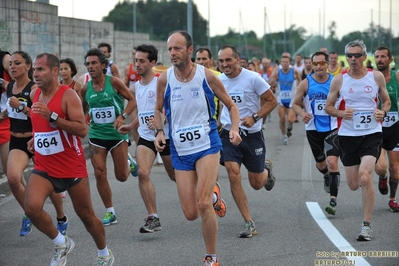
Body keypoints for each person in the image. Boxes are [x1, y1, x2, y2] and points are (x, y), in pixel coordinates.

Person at [154, 30, 241, 266]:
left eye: (177, 48)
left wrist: (234, 129)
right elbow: (158, 109)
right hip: (180, 150)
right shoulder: (165, 79)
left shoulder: (207, 76)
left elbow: (231, 106)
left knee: (202, 205)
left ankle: (211, 257)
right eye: (170, 49)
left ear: (190, 50)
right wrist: (160, 132)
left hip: (207, 144)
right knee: (191, 213)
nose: (172, 53)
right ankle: (214, 193)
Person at [25, 52, 114, 265]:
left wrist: (53, 117)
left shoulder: (68, 95)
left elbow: (81, 130)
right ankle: (61, 242)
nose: (35, 74)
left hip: (71, 167)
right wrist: (35, 138)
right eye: (34, 69)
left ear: (55, 71)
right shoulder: (34, 94)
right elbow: (39, 121)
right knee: (31, 208)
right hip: (44, 165)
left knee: (87, 216)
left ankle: (104, 254)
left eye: (41, 69)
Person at [325, 40, 391, 241]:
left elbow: (386, 101)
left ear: (364, 57)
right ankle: (368, 186)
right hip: (347, 135)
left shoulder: (376, 77)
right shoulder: (339, 80)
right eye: (349, 56)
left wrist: (383, 111)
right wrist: (341, 112)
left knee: (364, 176)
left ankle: (366, 226)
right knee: (354, 184)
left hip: (372, 133)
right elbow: (328, 107)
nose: (353, 59)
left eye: (356, 55)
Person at [217, 44, 277, 238]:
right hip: (229, 133)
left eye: (228, 60)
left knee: (257, 183)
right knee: (233, 173)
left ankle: (265, 171)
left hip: (252, 135)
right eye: (221, 61)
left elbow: (272, 101)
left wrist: (255, 117)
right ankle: (248, 222)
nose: (225, 64)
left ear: (237, 59)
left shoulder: (253, 78)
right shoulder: (218, 80)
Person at [118, 44, 175, 234]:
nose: (137, 64)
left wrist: (164, 119)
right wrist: (132, 125)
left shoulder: (161, 83)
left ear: (152, 62)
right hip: (146, 137)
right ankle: (153, 217)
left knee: (175, 175)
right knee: (143, 173)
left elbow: (172, 107)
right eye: (136, 60)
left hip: (166, 136)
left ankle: (209, 190)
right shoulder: (135, 87)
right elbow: (142, 112)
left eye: (142, 61)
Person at [81, 48, 138, 226]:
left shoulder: (114, 82)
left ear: (103, 65)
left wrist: (122, 116)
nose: (90, 67)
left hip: (117, 135)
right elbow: (83, 109)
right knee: (99, 172)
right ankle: (110, 211)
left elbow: (132, 100)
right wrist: (83, 123)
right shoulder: (85, 88)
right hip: (97, 135)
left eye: (94, 63)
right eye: (88, 64)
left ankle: (129, 162)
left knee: (121, 176)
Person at [292, 51, 341, 215]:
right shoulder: (306, 83)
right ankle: (326, 175)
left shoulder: (336, 82)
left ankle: (333, 200)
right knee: (321, 164)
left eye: (322, 63)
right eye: (316, 64)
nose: (319, 66)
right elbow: (295, 104)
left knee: (333, 162)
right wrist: (302, 113)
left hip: (333, 127)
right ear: (312, 65)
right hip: (313, 129)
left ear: (327, 64)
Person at [195, 47, 227, 218]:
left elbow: (223, 99)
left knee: (211, 163)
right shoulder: (191, 77)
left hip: (213, 125)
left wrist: (221, 118)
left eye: (204, 59)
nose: (201, 62)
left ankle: (214, 195)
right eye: (198, 59)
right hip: (193, 129)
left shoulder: (215, 76)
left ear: (211, 60)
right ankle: (210, 193)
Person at [373, 46, 399, 212]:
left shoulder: (396, 77)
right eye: (377, 57)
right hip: (376, 126)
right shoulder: (370, 78)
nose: (379, 59)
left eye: (383, 57)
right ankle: (382, 177)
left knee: (395, 168)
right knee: (381, 167)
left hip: (395, 126)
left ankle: (392, 199)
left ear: (390, 60)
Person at [269, 54, 302, 145]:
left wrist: (299, 89)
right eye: (283, 62)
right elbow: (271, 81)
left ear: (289, 63)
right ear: (281, 63)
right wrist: (272, 82)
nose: (285, 64)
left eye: (286, 62)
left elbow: (299, 79)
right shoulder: (277, 72)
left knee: (291, 119)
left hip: (292, 99)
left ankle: (290, 126)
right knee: (282, 119)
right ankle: (284, 136)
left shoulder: (293, 71)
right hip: (281, 99)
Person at [0, 48, 11, 182]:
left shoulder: (5, 58)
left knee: (12, 175)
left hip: (5, 123)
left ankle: (30, 202)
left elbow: (18, 86)